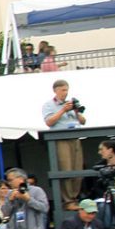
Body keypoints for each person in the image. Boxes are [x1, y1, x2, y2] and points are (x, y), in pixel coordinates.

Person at [43, 79, 87, 209]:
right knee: (66, 169)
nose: (65, 93)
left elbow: (83, 121)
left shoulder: (71, 104)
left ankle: (74, 198)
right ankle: (68, 201)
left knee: (78, 170)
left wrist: (77, 111)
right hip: (61, 139)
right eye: (62, 90)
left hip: (75, 138)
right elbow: (49, 122)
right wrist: (63, 110)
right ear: (55, 90)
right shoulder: (49, 105)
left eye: (66, 90)